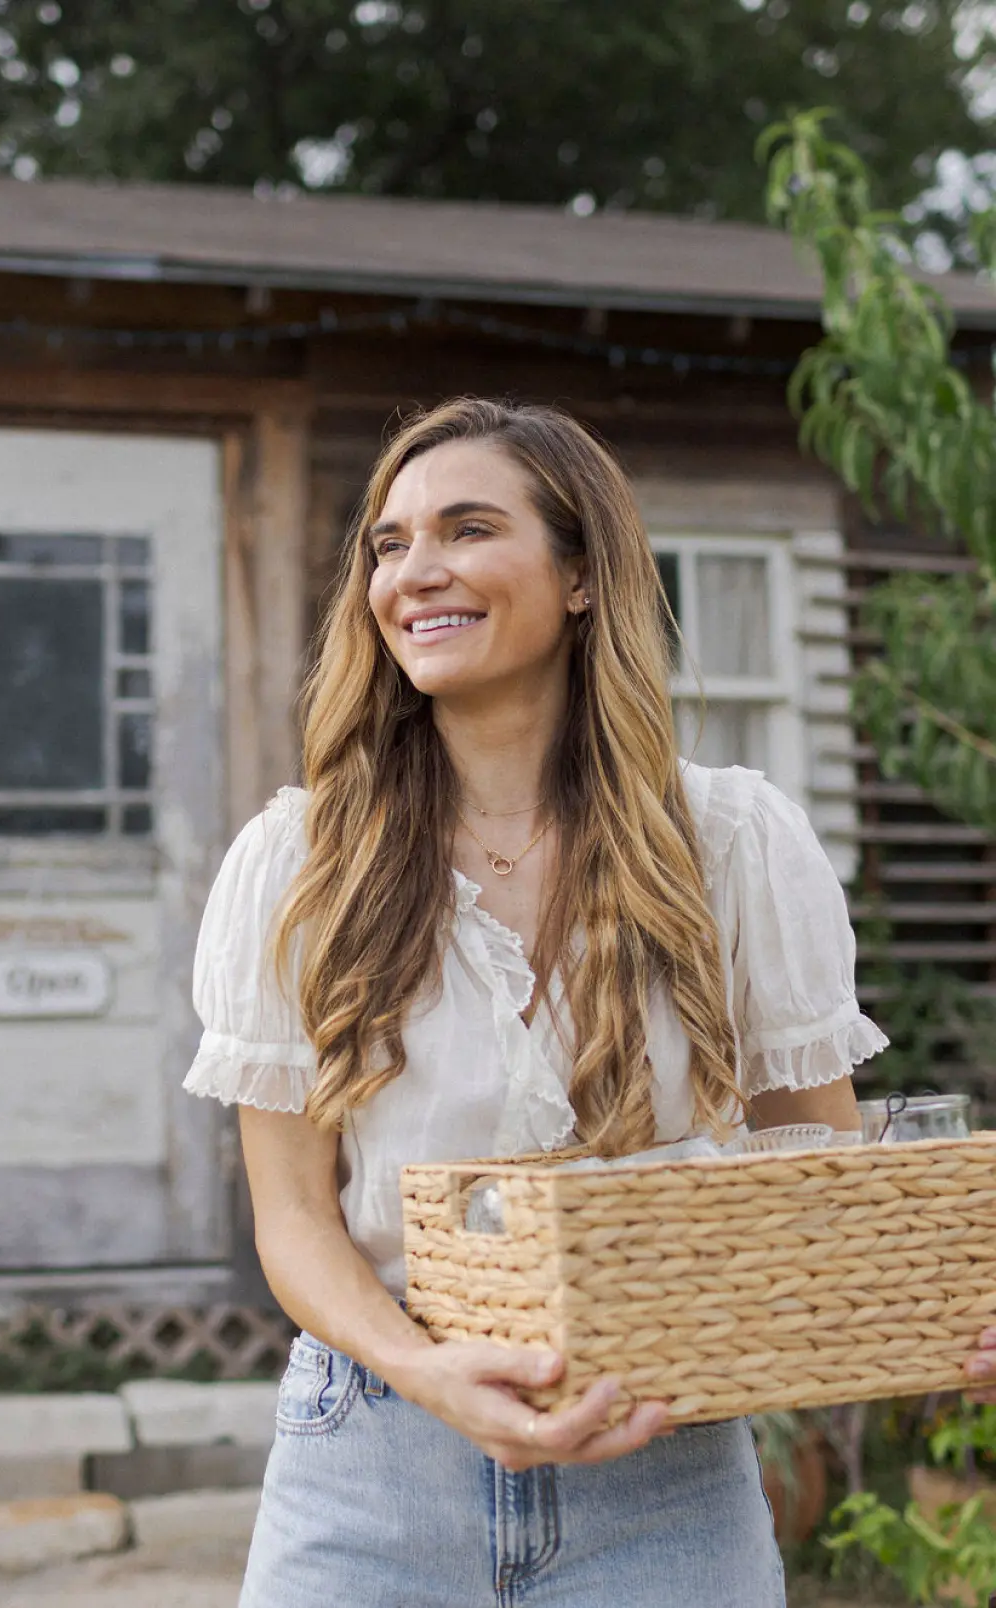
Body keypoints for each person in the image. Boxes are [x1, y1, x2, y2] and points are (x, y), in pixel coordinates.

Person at [185, 398, 996, 1608]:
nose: (416, 573)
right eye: (388, 544)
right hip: (374, 1461)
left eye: (465, 529)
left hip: (662, 1463)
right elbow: (295, 1222)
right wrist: (429, 1369)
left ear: (578, 576)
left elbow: (813, 1172)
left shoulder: (727, 841)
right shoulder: (300, 861)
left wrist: (943, 1296)